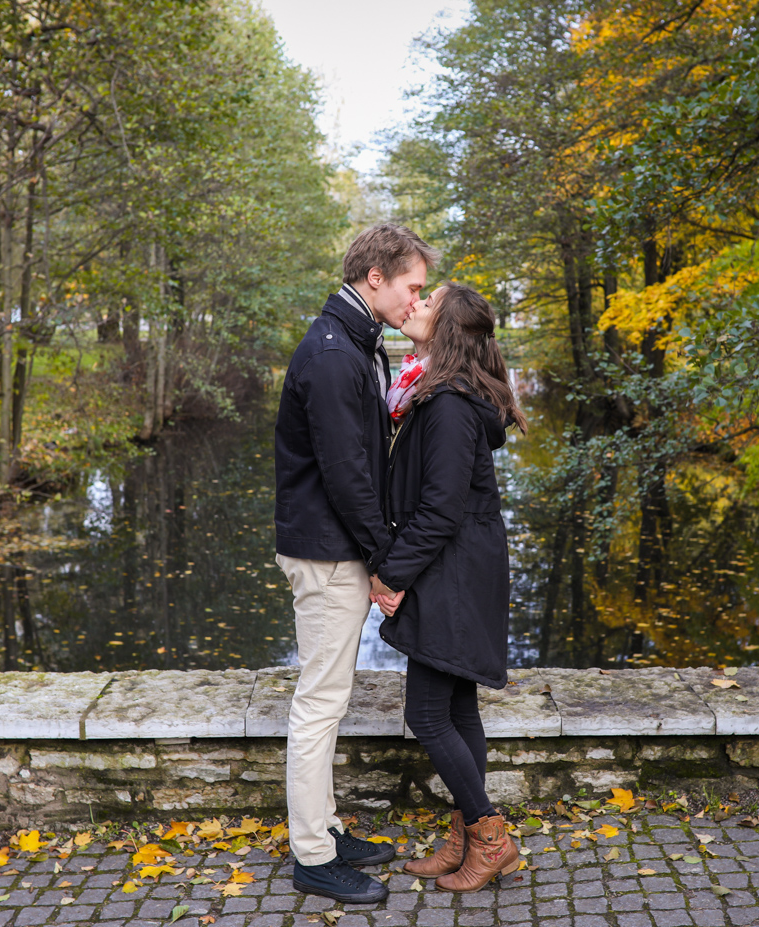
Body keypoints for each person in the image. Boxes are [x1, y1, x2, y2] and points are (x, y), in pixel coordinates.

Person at [273, 224, 439, 905]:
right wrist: (385, 562)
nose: (416, 299)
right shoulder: (334, 353)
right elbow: (347, 476)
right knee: (319, 703)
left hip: (335, 544)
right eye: (413, 286)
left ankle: (327, 829)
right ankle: (313, 856)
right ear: (377, 276)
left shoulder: (354, 341)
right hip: (326, 551)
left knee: (330, 698)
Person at [370, 282, 528, 893]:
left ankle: (491, 839)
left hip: (453, 571)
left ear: (447, 330)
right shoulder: (437, 393)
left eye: (427, 303)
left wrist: (392, 576)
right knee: (458, 709)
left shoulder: (448, 404)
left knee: (427, 713)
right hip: (458, 566)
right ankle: (465, 838)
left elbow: (440, 509)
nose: (414, 305)